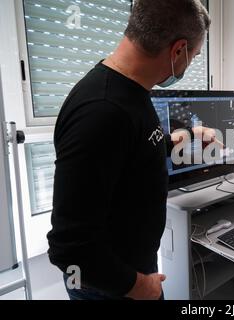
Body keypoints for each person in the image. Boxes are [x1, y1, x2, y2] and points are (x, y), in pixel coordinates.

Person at [47, 0, 211, 300]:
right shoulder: (102, 111)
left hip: (135, 271)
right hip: (110, 287)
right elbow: (69, 248)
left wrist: (189, 135)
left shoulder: (132, 89)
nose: (190, 64)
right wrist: (137, 286)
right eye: (194, 56)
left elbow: (141, 144)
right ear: (178, 50)